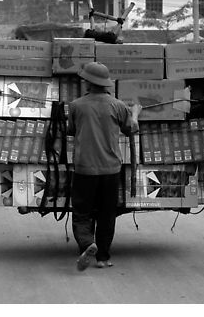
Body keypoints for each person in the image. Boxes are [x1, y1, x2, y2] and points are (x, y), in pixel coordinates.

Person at [67, 62, 141, 271]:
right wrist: (135, 112)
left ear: (88, 83)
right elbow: (131, 128)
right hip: (111, 169)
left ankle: (86, 243)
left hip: (84, 168)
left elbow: (70, 130)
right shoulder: (118, 106)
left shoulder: (76, 106)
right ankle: (103, 257)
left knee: (82, 212)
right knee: (107, 213)